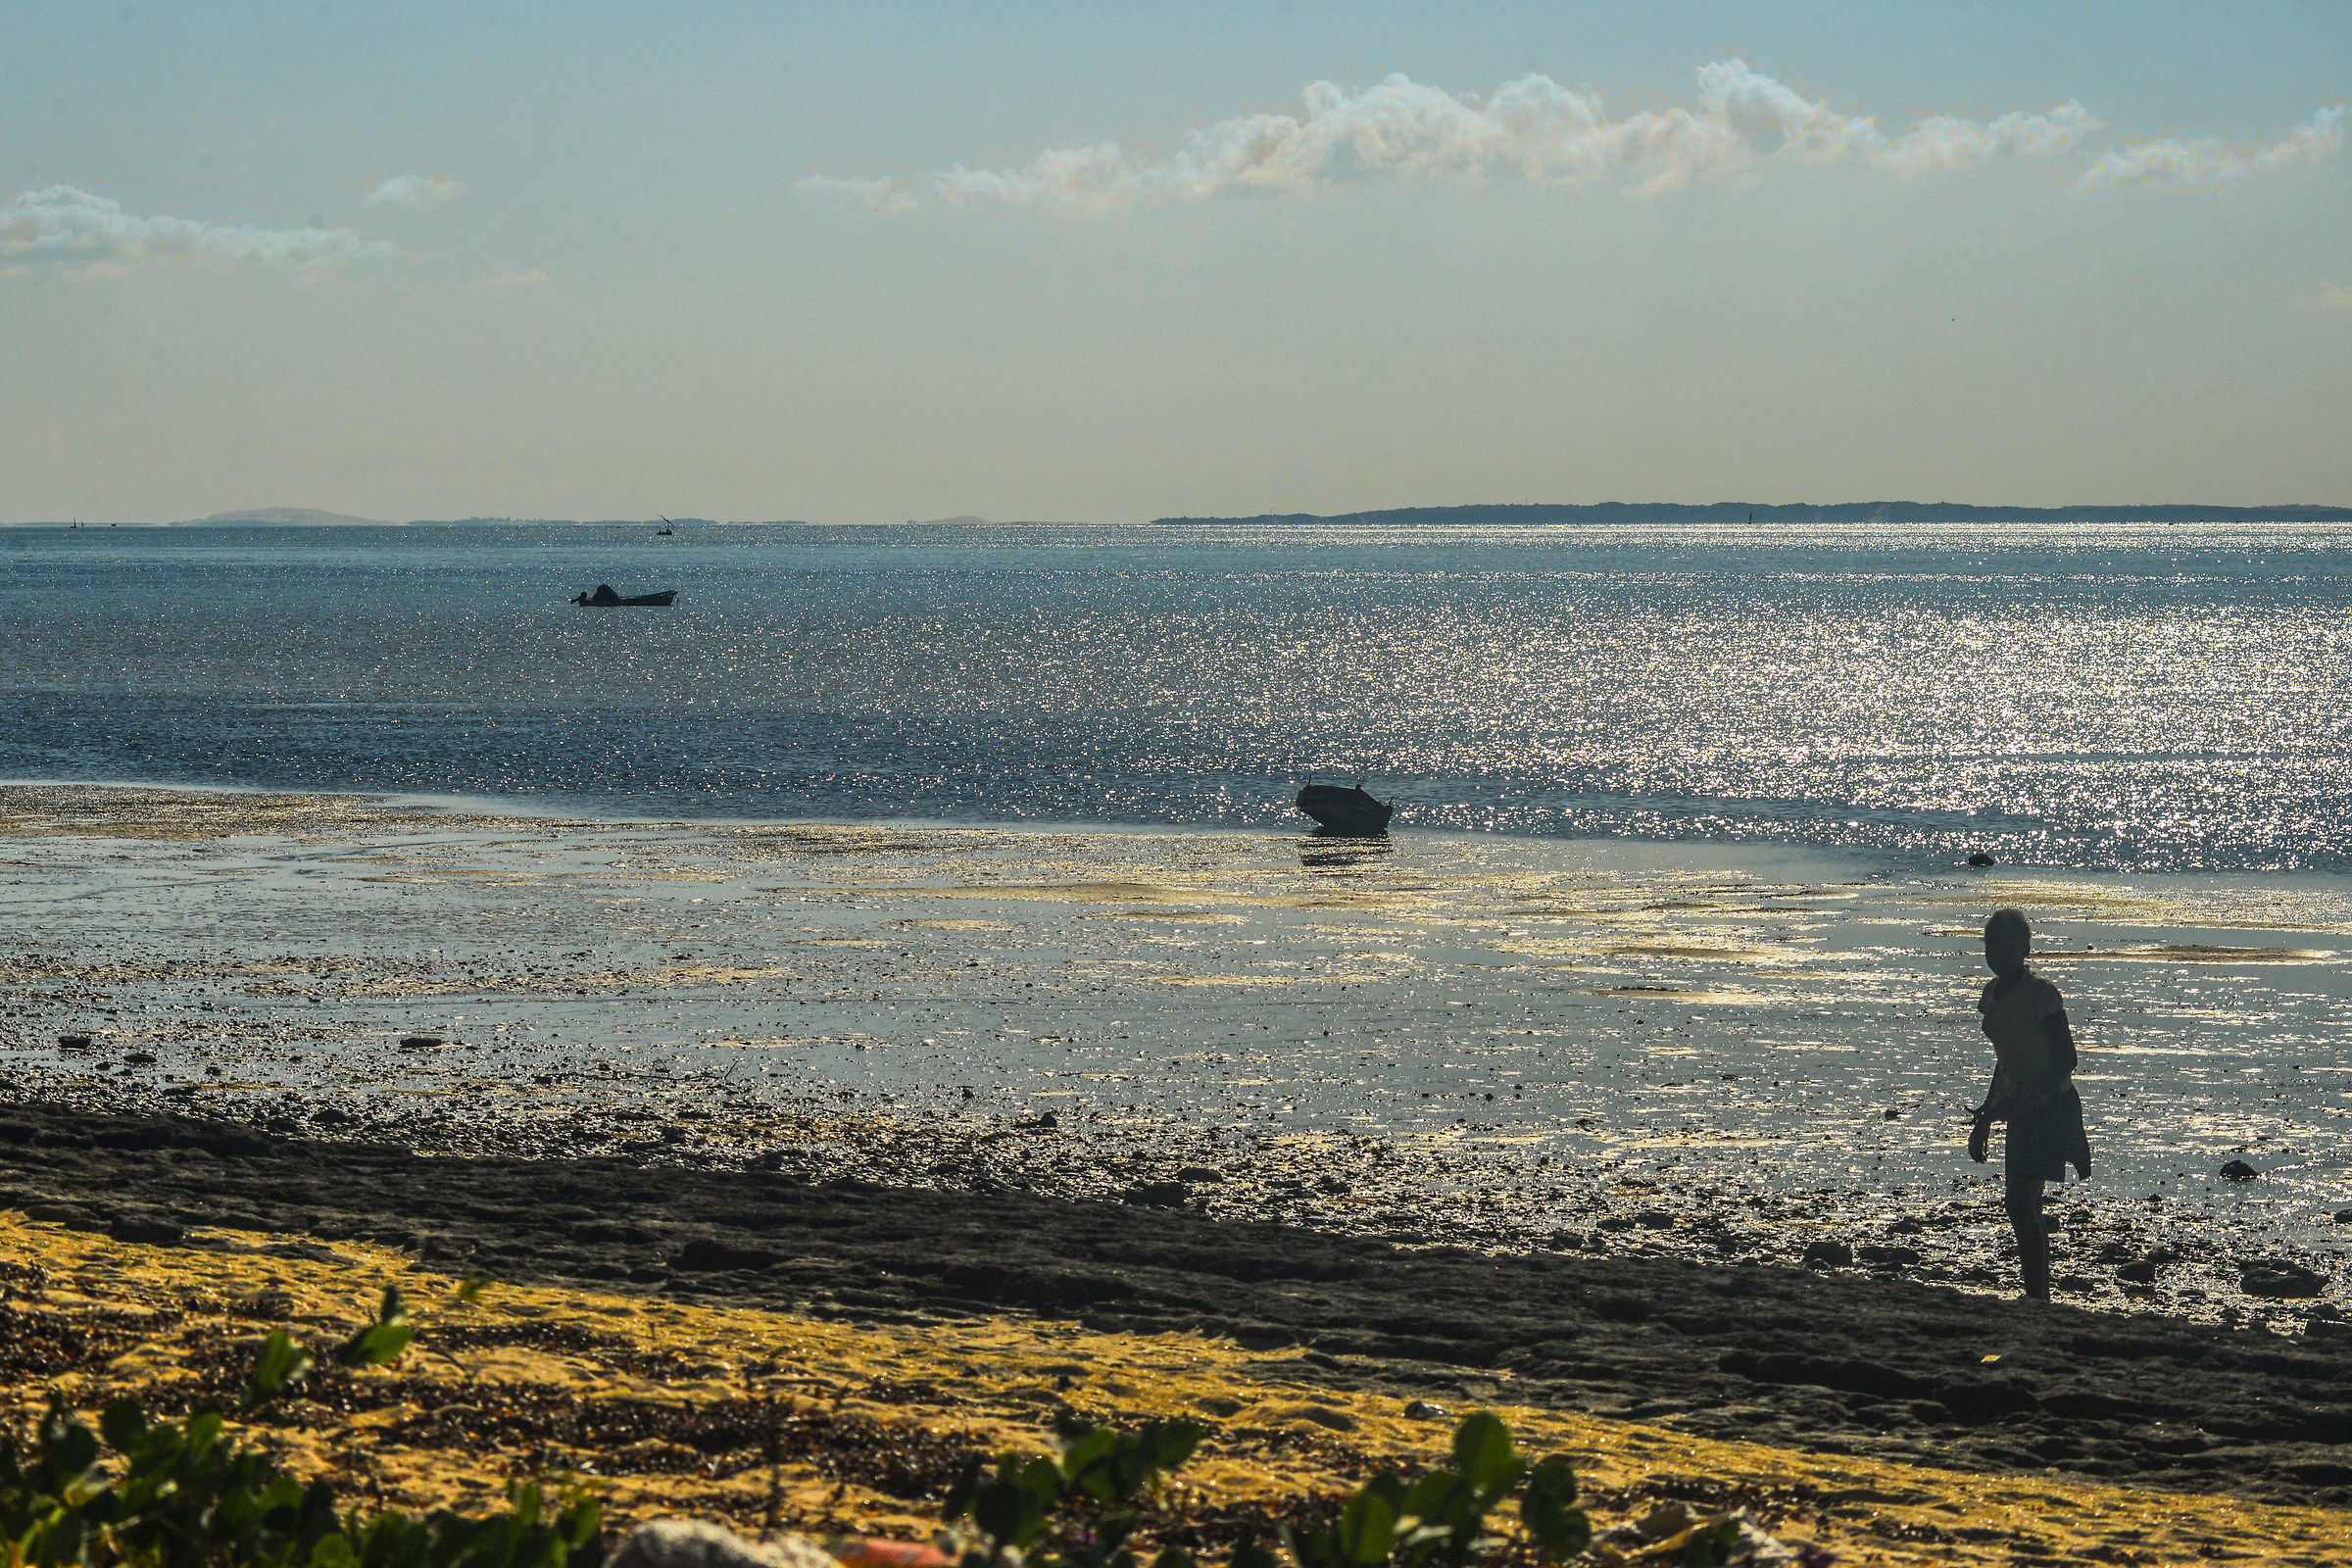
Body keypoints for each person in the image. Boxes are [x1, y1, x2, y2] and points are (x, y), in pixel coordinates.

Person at [1968, 907, 2090, 1300]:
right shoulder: (1991, 995)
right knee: (2021, 1205)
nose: (1999, 952)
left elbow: (2067, 1058)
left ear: (2024, 948)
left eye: (2009, 944)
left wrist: (2038, 1095)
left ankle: (2038, 1297)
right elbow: (2005, 1061)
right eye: (1992, 944)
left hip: (2050, 1107)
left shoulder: (2041, 993)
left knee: (2022, 1202)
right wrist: (1985, 1117)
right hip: (2018, 1107)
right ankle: (2036, 1294)